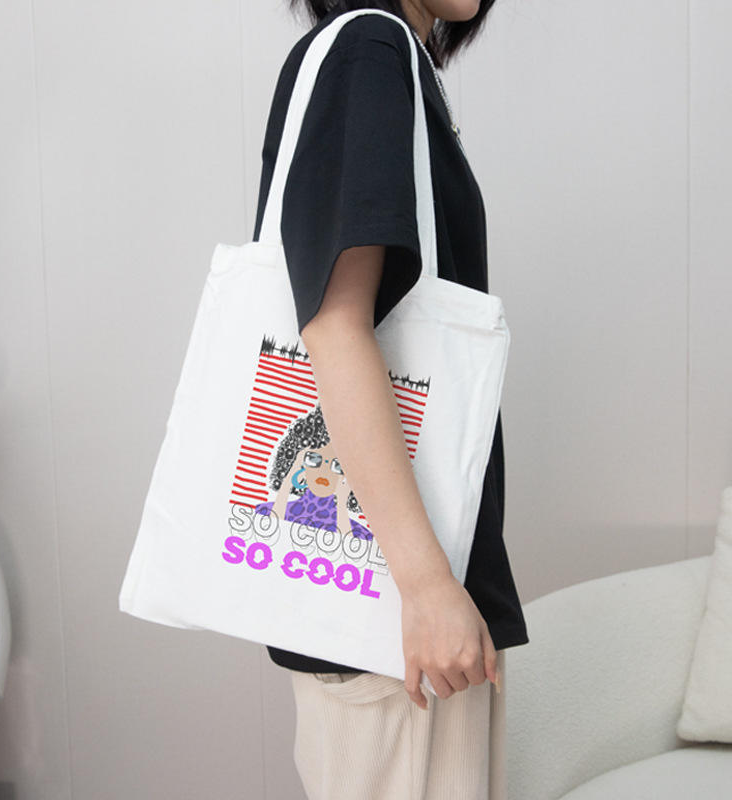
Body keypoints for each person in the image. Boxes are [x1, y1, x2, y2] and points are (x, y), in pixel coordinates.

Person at [251, 1, 529, 797]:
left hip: (406, 612)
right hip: (398, 620)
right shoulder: (369, 49)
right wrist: (428, 587)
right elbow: (334, 326)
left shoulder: (393, 61)